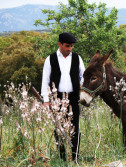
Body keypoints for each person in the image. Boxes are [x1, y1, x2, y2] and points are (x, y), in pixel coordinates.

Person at [41, 32, 85, 162]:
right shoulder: (50, 59)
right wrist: (46, 101)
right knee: (58, 130)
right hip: (57, 98)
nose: (69, 49)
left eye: (71, 46)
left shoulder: (77, 58)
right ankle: (62, 159)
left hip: (73, 98)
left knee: (75, 128)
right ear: (59, 44)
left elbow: (84, 76)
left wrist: (82, 90)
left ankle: (75, 158)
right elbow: (45, 81)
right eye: (67, 46)